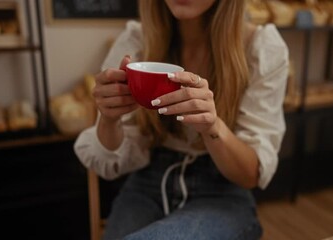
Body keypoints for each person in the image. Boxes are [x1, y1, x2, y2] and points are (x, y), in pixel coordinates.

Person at [74, 0, 288, 239]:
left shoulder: (261, 48)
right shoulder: (138, 42)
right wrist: (109, 119)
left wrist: (212, 127)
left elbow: (250, 174)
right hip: (147, 182)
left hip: (221, 190)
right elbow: (109, 165)